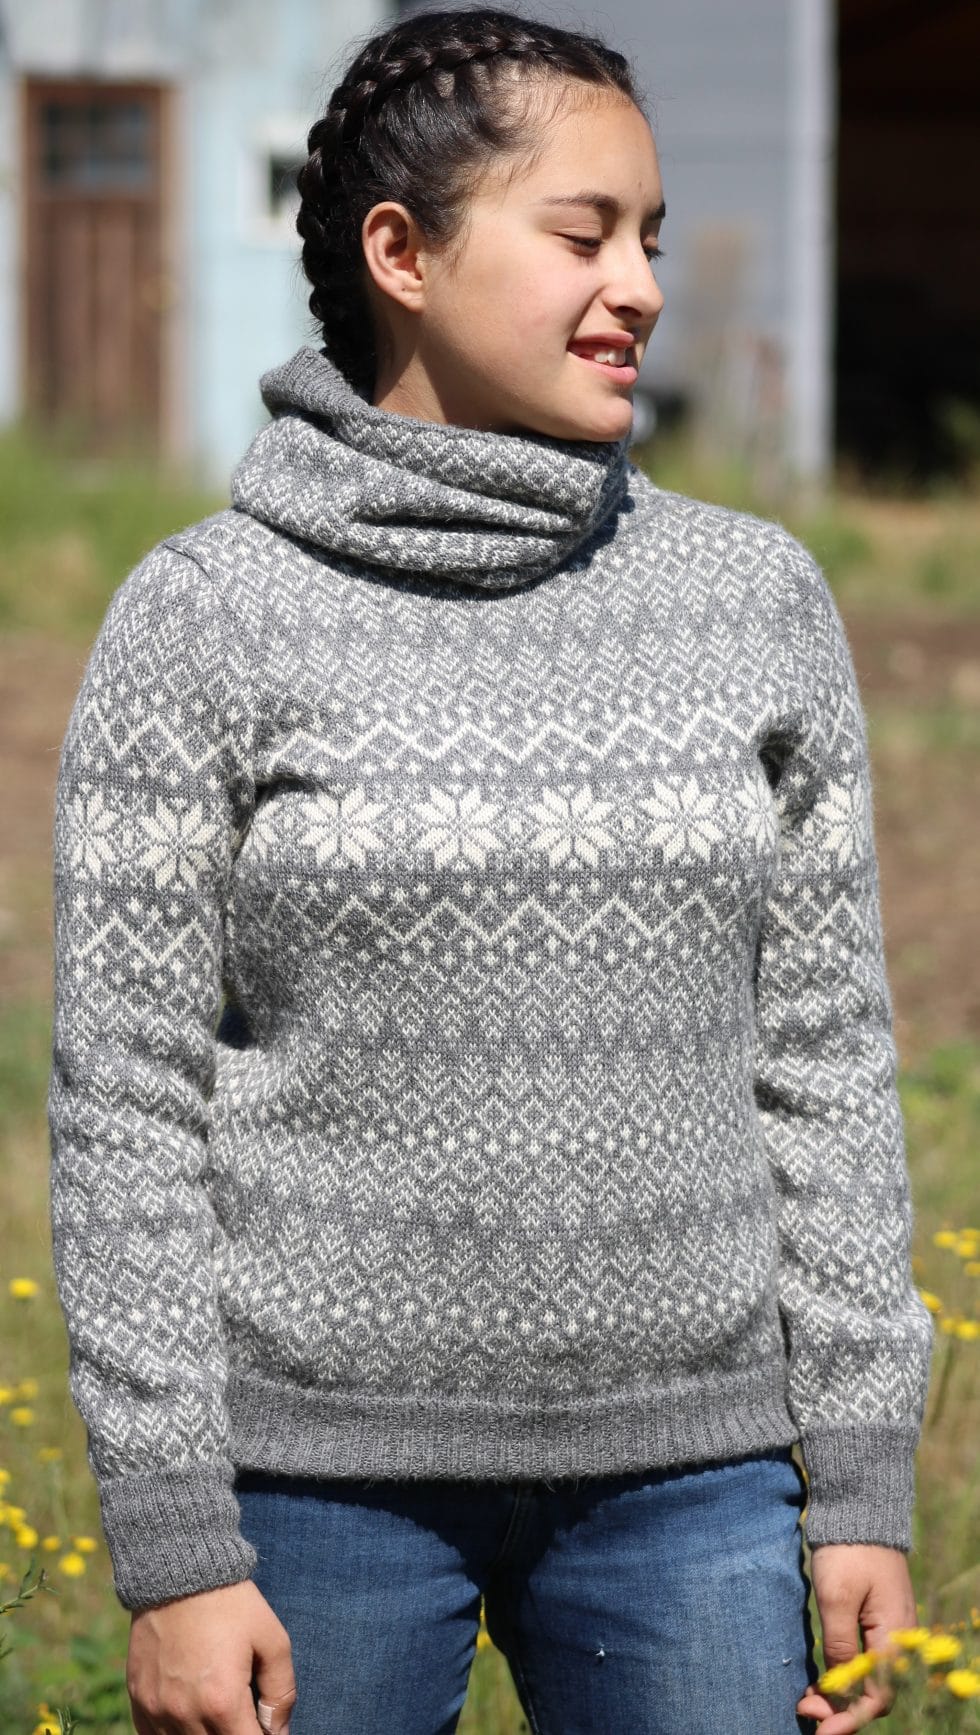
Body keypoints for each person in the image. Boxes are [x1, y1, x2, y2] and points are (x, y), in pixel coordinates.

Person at [47, 8, 935, 1734]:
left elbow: (826, 1059)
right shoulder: (205, 616)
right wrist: (175, 1548)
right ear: (403, 253)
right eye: (583, 235)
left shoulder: (755, 601)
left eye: (652, 239)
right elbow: (124, 1102)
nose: (641, 288)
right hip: (310, 1497)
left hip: (704, 1484)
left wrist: (861, 1483)